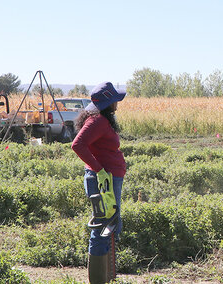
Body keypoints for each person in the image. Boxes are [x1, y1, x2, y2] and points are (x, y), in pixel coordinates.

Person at [72, 82, 126, 283]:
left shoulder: (100, 120)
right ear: (108, 104)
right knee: (103, 228)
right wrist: (100, 170)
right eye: (115, 101)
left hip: (108, 180)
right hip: (104, 181)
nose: (117, 105)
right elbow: (77, 145)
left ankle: (108, 278)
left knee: (110, 226)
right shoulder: (98, 122)